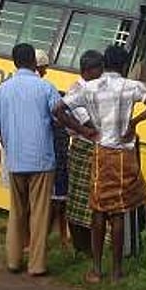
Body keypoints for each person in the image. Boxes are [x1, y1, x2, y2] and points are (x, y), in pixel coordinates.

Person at [57, 45, 146, 283]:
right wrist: (134, 123)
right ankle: (117, 271)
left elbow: (58, 110)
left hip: (102, 153)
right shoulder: (132, 86)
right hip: (125, 157)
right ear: (125, 66)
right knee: (118, 213)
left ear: (104, 65)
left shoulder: (89, 87)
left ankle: (96, 269)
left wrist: (84, 130)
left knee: (98, 210)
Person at [0, 43, 62, 277]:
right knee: (39, 214)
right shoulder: (46, 87)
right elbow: (60, 114)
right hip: (41, 160)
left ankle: (13, 261)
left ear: (14, 62)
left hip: (15, 159)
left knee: (16, 211)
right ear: (33, 61)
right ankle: (37, 266)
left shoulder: (3, 89)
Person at [63, 50, 104, 252]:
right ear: (87, 71)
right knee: (77, 200)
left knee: (92, 200)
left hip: (96, 147)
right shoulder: (77, 91)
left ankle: (87, 247)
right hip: (83, 147)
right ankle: (80, 247)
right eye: (98, 71)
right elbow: (87, 120)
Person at [33, 49, 71, 250]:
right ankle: (48, 237)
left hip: (48, 159)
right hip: (50, 160)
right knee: (51, 202)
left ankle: (48, 238)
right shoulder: (46, 90)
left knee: (54, 201)